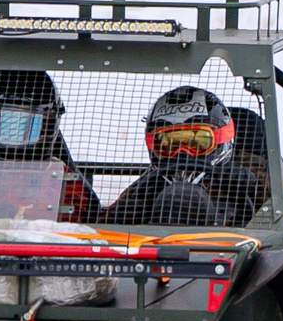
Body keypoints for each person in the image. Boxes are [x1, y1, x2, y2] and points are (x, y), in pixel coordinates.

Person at [0, 69, 99, 223]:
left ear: (47, 126)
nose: (11, 136)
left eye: (26, 126)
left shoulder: (59, 177)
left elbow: (68, 228)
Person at [101, 85, 269, 229]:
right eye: (170, 143)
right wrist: (142, 194)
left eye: (197, 141)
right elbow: (106, 227)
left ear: (221, 138)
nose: (182, 153)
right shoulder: (152, 181)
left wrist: (253, 187)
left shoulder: (252, 169)